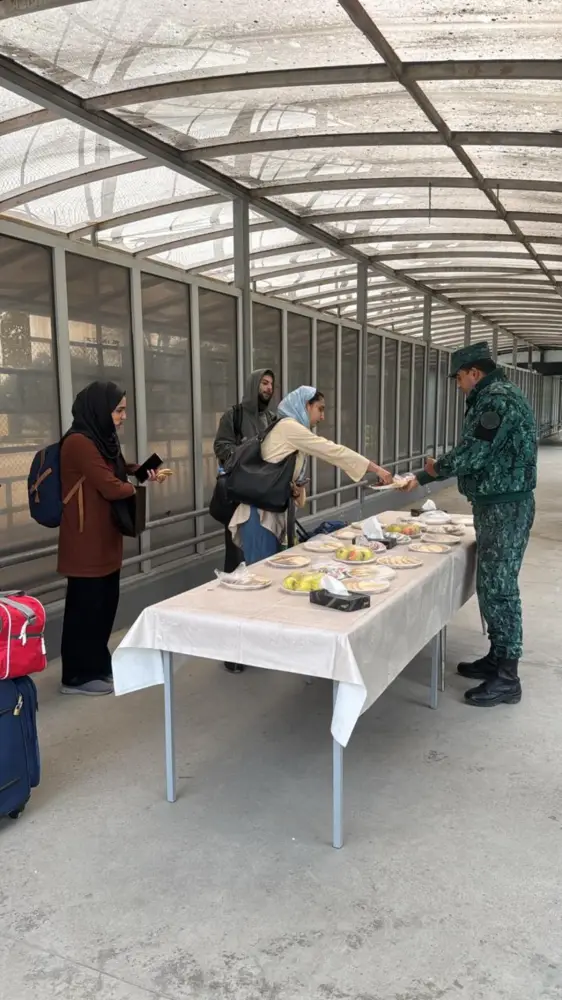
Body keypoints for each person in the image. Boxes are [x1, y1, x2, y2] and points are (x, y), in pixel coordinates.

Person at [400, 342, 537, 708]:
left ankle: (508, 677)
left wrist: (431, 472)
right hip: (501, 502)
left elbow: (475, 452)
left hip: (505, 507)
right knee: (492, 583)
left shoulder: (495, 400)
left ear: (474, 372)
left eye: (459, 378)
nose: (459, 385)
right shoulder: (498, 395)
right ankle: (498, 657)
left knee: (500, 586)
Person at [57, 381, 159, 696]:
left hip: (106, 537)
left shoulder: (102, 439)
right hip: (84, 542)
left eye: (124, 409)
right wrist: (136, 486)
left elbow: (115, 467)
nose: (123, 416)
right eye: (119, 410)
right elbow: (110, 485)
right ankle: (75, 676)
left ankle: (97, 666)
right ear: (100, 410)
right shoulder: (78, 443)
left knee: (104, 605)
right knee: (84, 609)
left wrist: (141, 470)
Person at [229, 383, 393, 568]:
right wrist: (376, 469)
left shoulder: (290, 429)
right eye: (320, 409)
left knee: (271, 573)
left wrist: (296, 490)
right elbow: (332, 451)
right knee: (263, 575)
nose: (322, 417)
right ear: (305, 405)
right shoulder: (289, 427)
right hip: (258, 516)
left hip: (269, 514)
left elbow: (281, 473)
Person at [214, 368, 276, 574]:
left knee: (264, 554)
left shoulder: (271, 418)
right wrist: (249, 449)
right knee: (237, 551)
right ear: (253, 385)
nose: (269, 388)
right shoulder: (234, 415)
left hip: (265, 495)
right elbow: (221, 447)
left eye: (271, 384)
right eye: (264, 383)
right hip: (239, 495)